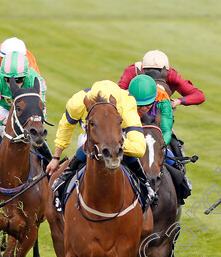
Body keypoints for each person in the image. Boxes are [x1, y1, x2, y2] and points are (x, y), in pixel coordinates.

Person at [45, 80, 157, 210]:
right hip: (92, 138)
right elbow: (66, 126)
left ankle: (145, 186)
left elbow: (139, 148)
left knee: (129, 153)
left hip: (117, 138)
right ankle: (63, 181)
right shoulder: (77, 103)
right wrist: (56, 157)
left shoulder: (126, 103)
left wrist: (113, 144)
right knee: (87, 141)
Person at [119, 50, 205, 159]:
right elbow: (119, 94)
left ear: (166, 72)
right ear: (142, 70)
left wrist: (178, 101)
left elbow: (199, 95)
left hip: (160, 116)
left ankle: (180, 171)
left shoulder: (172, 75)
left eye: (158, 72)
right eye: (149, 72)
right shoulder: (131, 71)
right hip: (134, 114)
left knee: (175, 146)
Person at [0, 50, 52, 165]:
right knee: (0, 129)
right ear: (2, 76)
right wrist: (4, 121)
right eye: (7, 79)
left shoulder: (36, 79)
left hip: (27, 111)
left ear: (26, 76)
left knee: (37, 132)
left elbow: (42, 110)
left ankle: (50, 162)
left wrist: (36, 121)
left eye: (19, 80)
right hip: (5, 109)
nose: (13, 84)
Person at [128, 74, 192, 205]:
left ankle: (182, 185)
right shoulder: (126, 100)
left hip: (156, 134)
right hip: (134, 132)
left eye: (147, 105)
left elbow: (167, 129)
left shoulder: (163, 98)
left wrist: (161, 146)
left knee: (171, 155)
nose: (144, 109)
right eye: (140, 106)